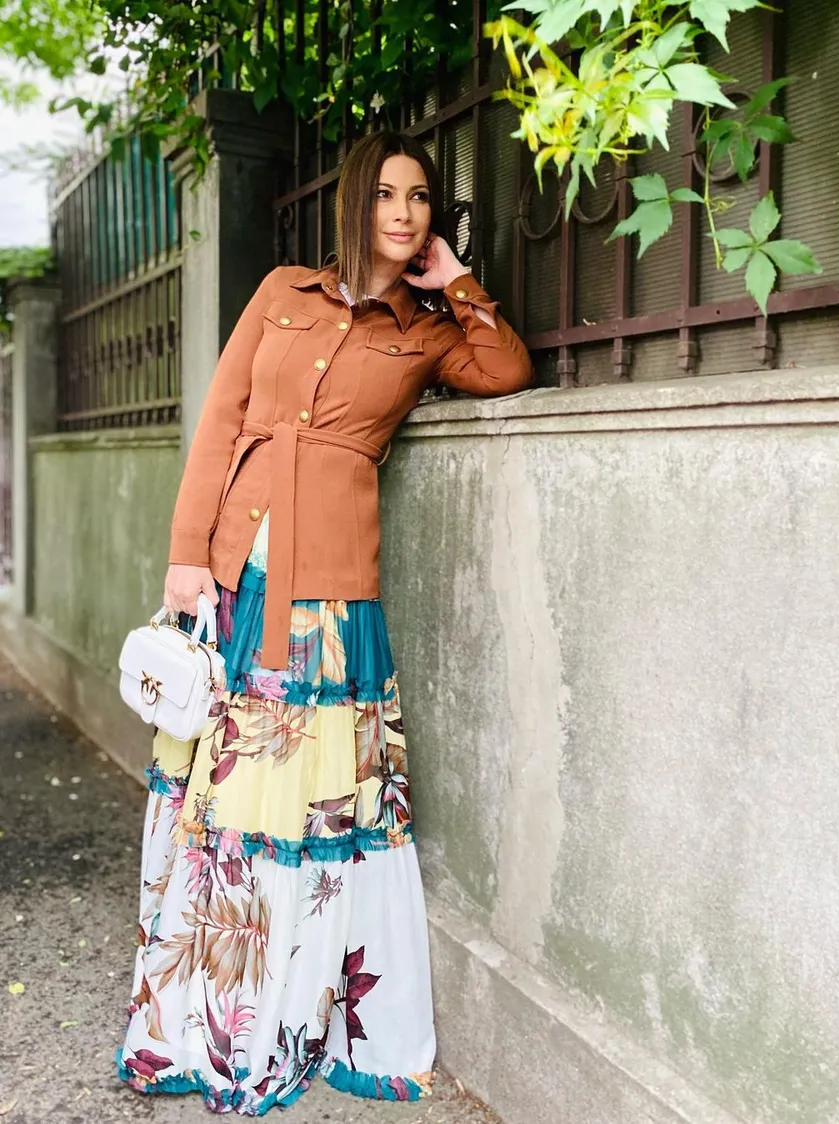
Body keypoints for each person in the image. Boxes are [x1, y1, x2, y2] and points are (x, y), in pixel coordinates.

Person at [117, 129, 533, 1115]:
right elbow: (220, 421)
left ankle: (274, 1018)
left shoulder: (426, 330)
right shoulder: (281, 292)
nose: (404, 212)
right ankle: (194, 1019)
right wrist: (185, 553)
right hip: (233, 573)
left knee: (296, 808)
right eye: (386, 193)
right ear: (355, 201)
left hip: (330, 599)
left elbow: (505, 367)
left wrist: (458, 283)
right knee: (216, 797)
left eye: (420, 197)